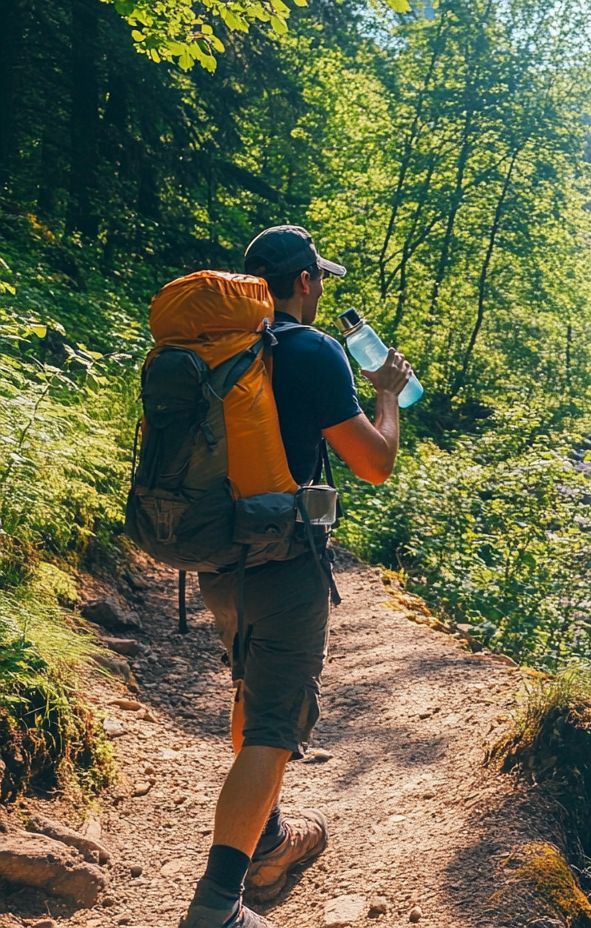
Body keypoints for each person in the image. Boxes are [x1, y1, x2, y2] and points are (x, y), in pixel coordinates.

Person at [180, 226, 413, 928]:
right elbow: (374, 463)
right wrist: (391, 396)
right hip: (283, 562)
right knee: (277, 724)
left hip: (217, 556)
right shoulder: (311, 349)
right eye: (321, 280)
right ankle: (219, 905)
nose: (321, 292)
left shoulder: (218, 348)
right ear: (305, 281)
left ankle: (272, 838)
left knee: (253, 691)